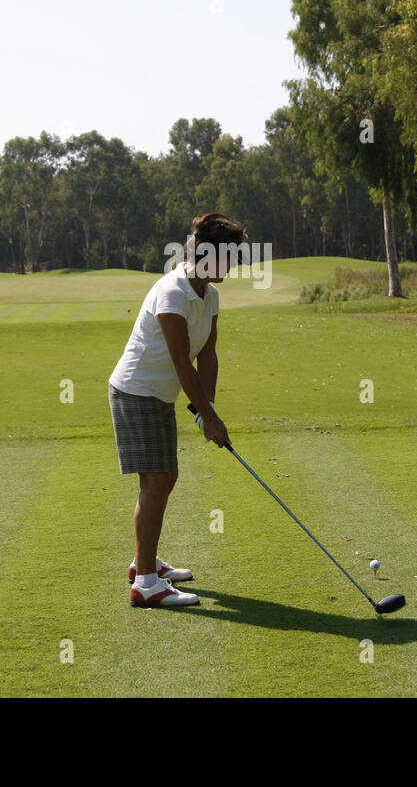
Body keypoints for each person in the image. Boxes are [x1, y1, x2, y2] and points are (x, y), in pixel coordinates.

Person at [107, 213, 245, 607]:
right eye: (227, 258)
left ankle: (144, 563)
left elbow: (208, 355)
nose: (231, 267)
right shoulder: (172, 293)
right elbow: (182, 361)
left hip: (158, 395)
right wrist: (209, 418)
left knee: (164, 479)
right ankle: (146, 584)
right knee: (157, 480)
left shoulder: (211, 295)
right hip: (136, 391)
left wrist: (208, 409)